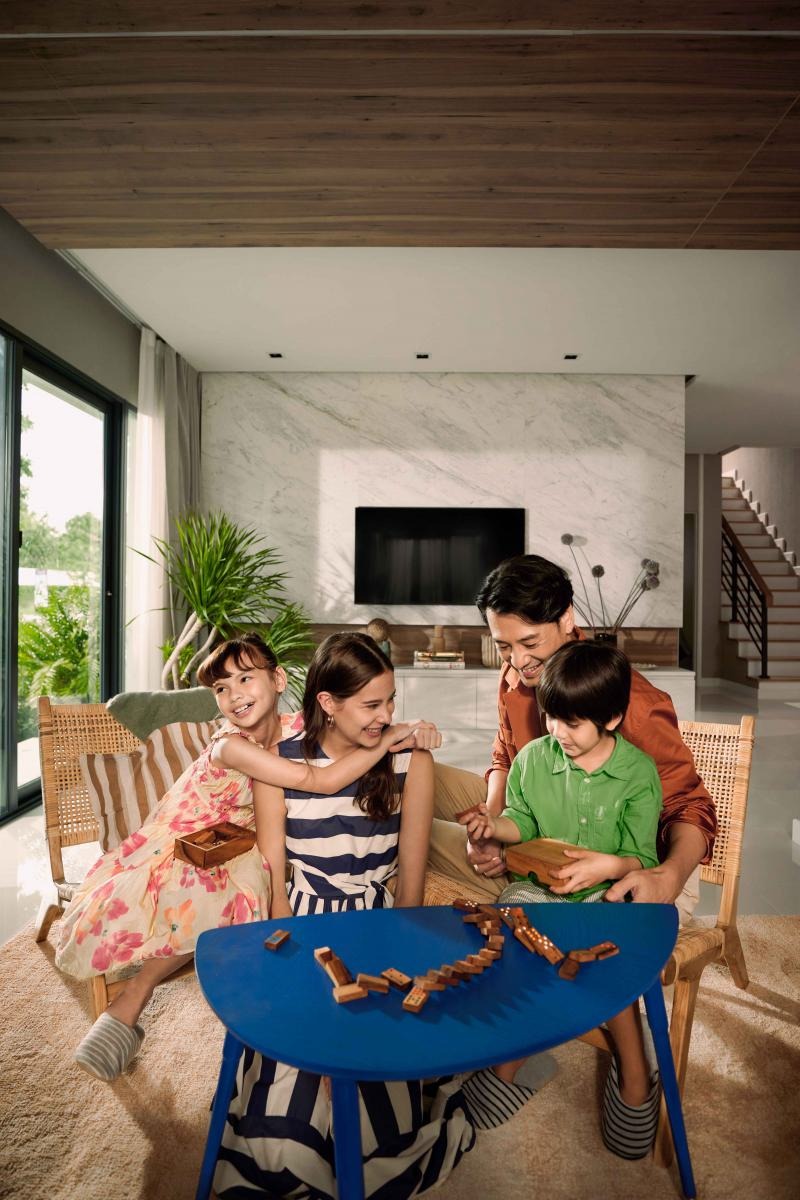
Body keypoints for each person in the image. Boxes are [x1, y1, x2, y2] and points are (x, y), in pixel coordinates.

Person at [215, 633, 531, 1198]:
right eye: (371, 704)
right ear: (328, 703)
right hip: (304, 923)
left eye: (390, 701)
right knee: (286, 1119)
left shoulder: (411, 759)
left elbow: (409, 879)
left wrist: (399, 952)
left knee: (377, 1115)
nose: (386, 716)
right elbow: (276, 881)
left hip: (377, 920)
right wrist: (289, 962)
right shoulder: (278, 761)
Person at [56, 633, 431, 1083]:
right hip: (194, 842)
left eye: (245, 679)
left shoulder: (297, 728)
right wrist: (384, 742)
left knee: (257, 879)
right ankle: (134, 998)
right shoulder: (230, 745)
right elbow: (322, 781)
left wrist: (406, 730)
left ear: (278, 680)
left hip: (245, 839)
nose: (234, 695)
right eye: (221, 687)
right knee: (240, 891)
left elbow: (348, 720)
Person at [429, 554, 717, 922]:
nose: (518, 660)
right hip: (539, 823)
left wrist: (669, 875)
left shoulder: (635, 703)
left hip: (633, 864)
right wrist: (493, 826)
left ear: (566, 619)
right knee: (417, 775)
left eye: (529, 642)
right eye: (504, 646)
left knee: (412, 833)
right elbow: (504, 757)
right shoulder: (516, 674)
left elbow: (688, 806)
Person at [459, 639, 662, 1158]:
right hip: (542, 890)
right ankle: (515, 1048)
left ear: (611, 718)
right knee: (509, 923)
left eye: (572, 723)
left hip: (606, 896)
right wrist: (494, 826)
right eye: (551, 718)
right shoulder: (533, 759)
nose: (557, 732)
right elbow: (522, 822)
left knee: (602, 947)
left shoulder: (638, 773)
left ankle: (633, 1065)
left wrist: (606, 866)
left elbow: (640, 858)